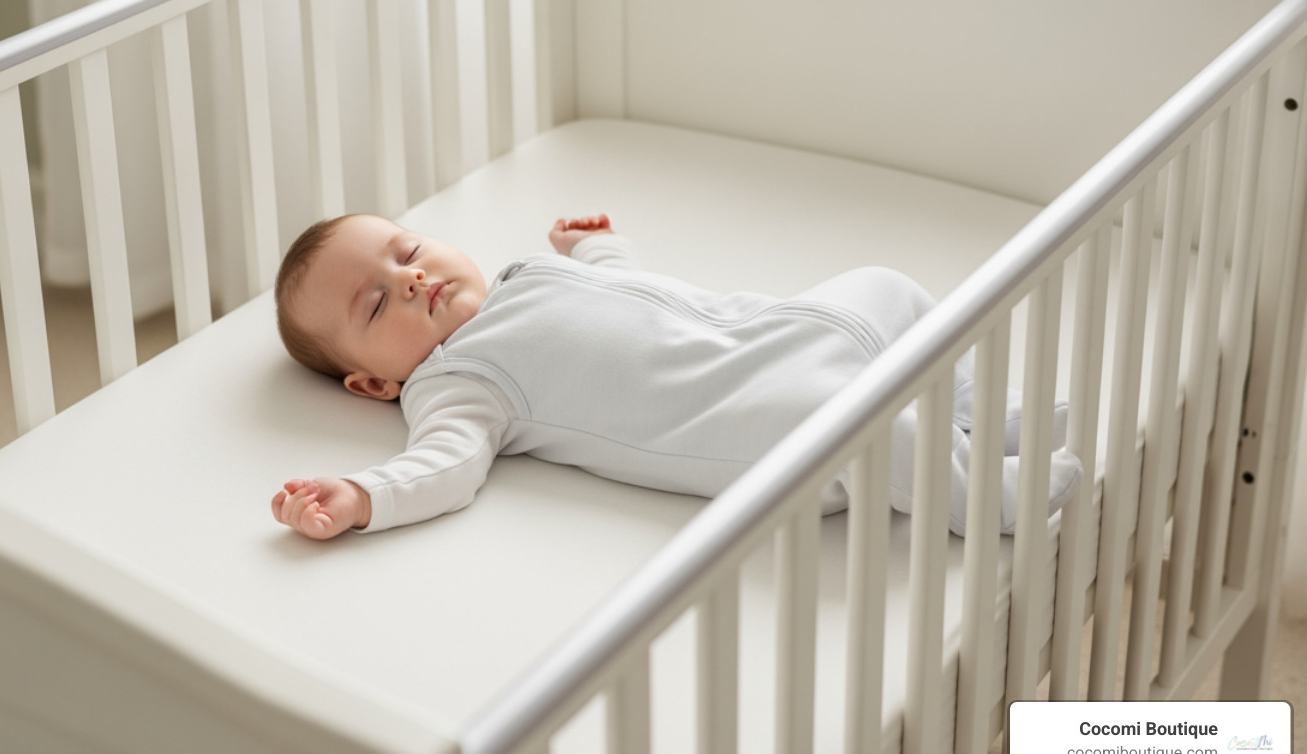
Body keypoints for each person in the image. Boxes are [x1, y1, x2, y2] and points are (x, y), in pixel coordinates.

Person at [271, 212, 1081, 540]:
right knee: (880, 436)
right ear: (374, 385)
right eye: (377, 306)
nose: (411, 280)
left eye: (407, 253)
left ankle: (984, 412)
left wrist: (593, 248)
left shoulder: (522, 276)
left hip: (786, 330)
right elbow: (443, 469)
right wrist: (363, 497)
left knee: (889, 287)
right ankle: (988, 494)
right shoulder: (454, 383)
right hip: (763, 412)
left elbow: (629, 290)